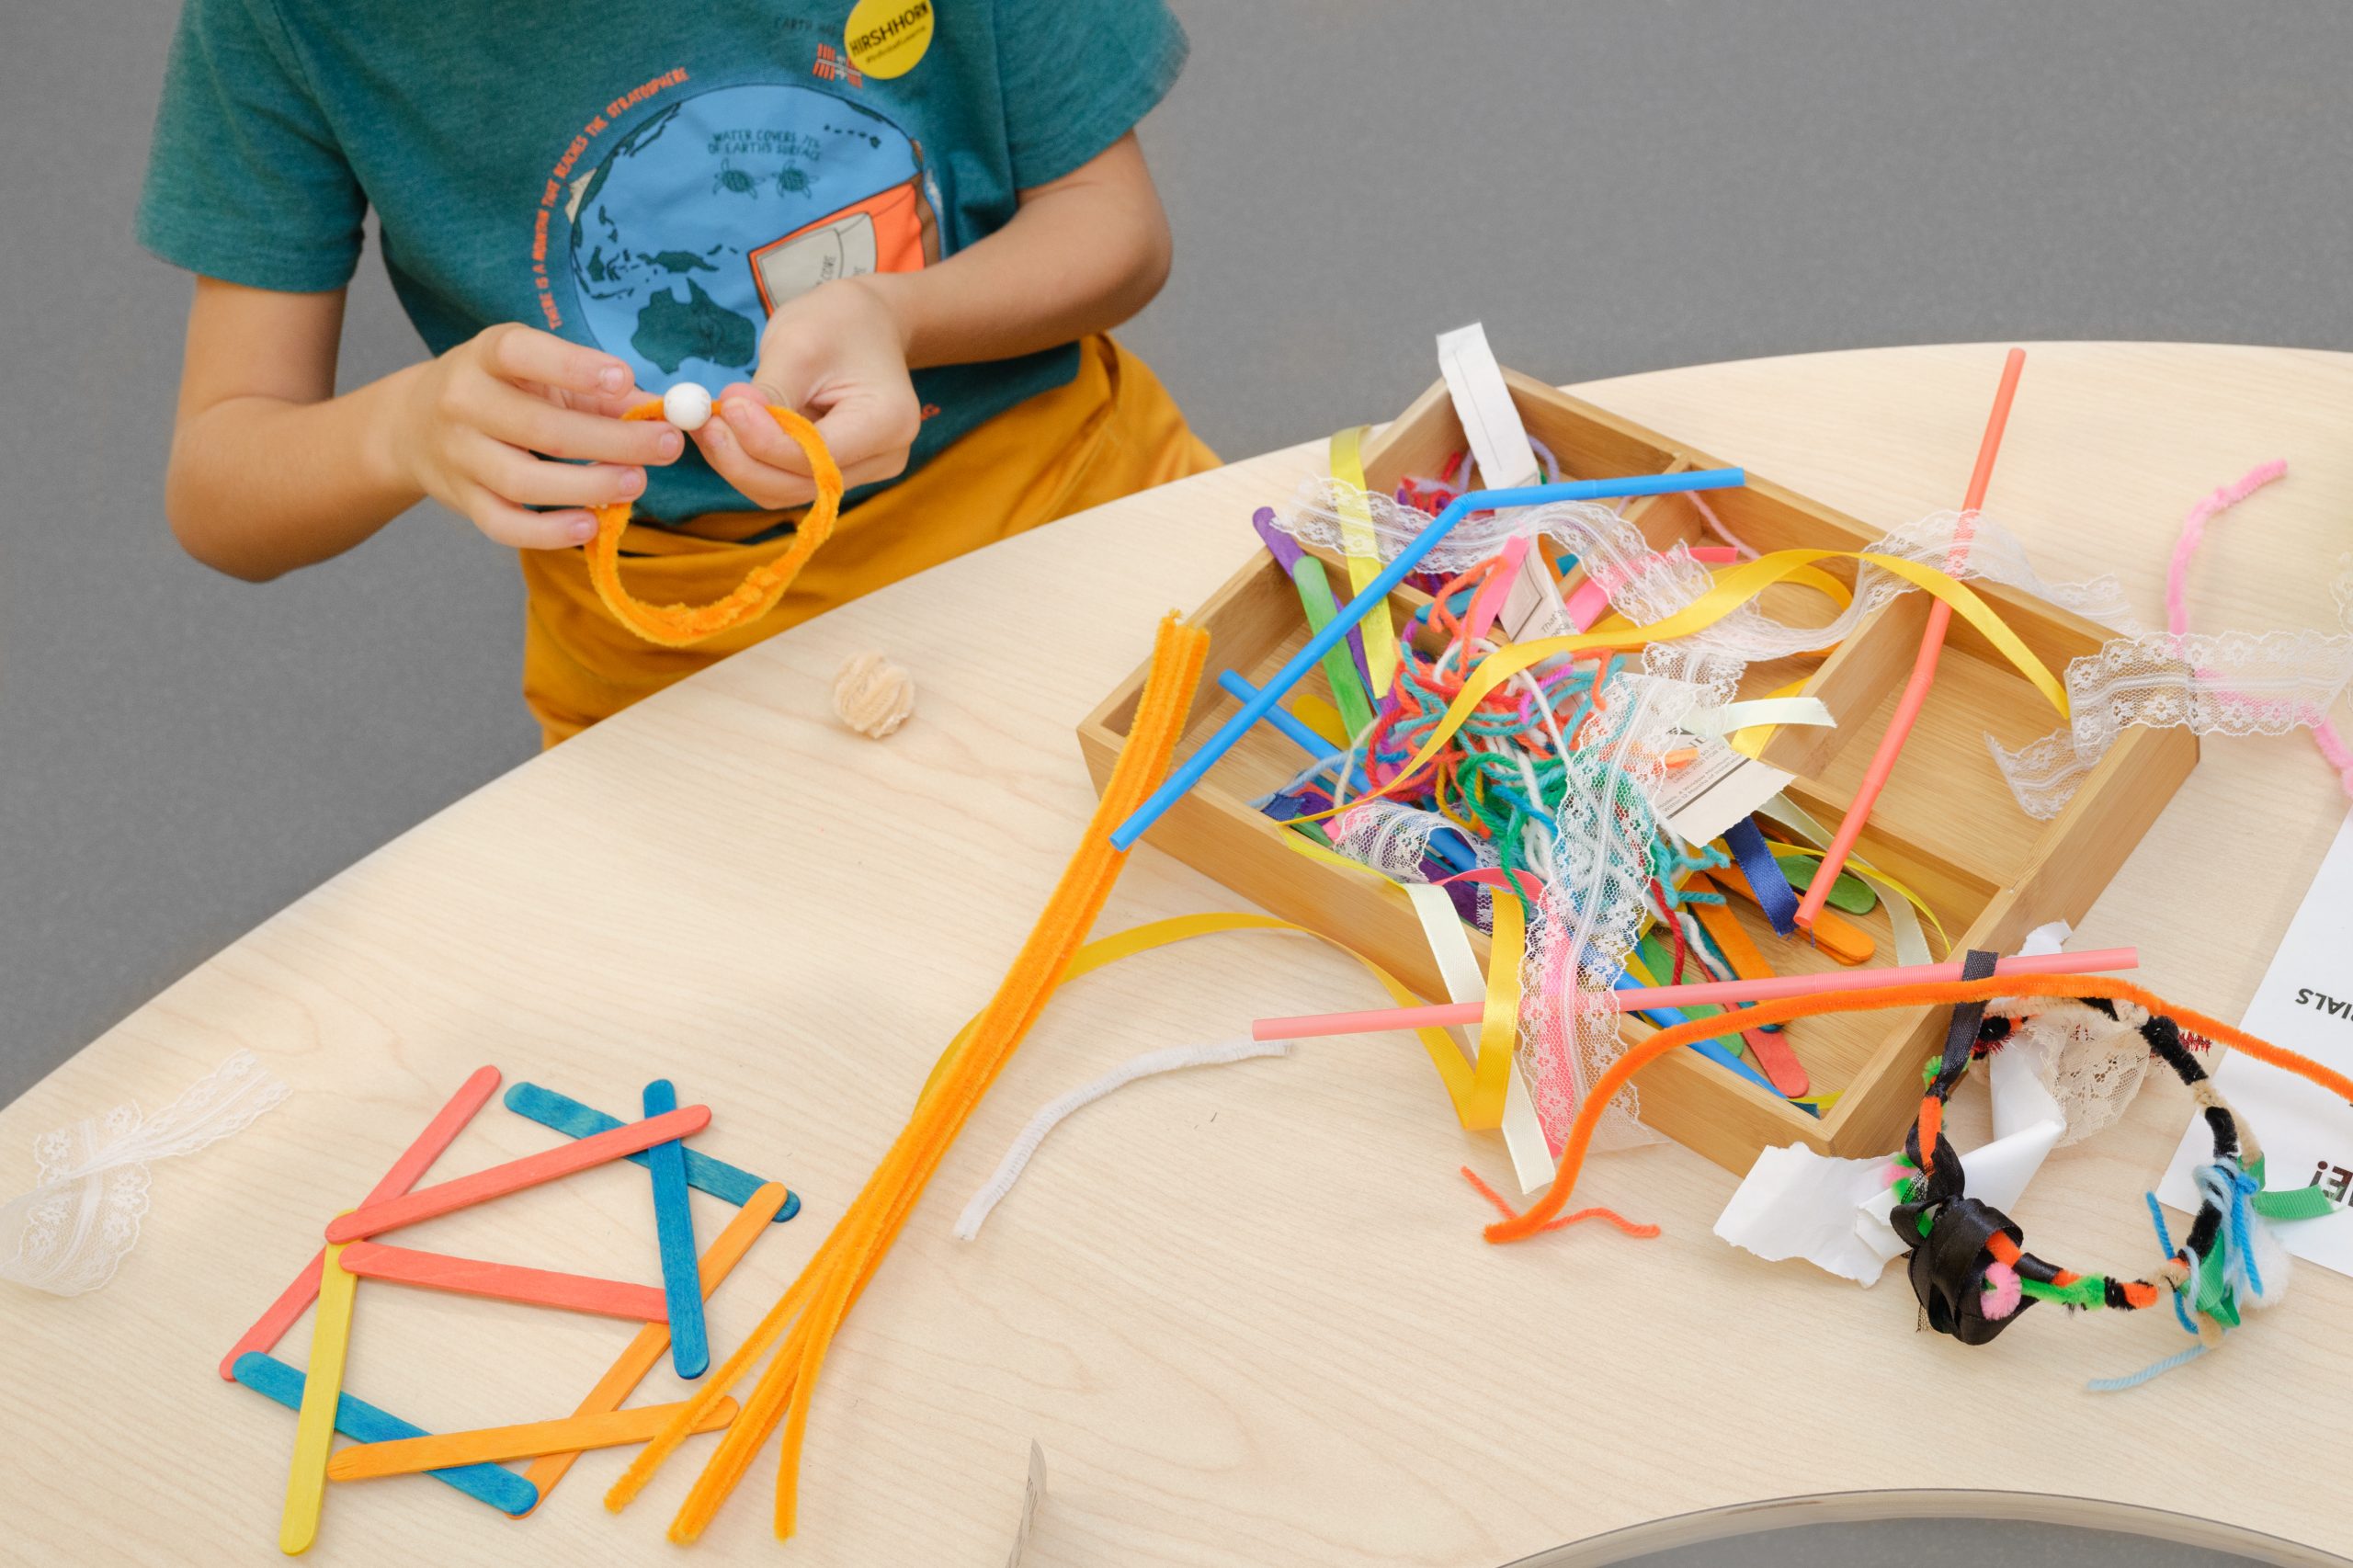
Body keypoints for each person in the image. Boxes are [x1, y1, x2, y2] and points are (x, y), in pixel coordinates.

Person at [140, 1, 1216, 744]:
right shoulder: (278, 25)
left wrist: (900, 313)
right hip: (672, 668)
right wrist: (399, 430)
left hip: (1077, 521)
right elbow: (222, 480)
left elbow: (1114, 227)